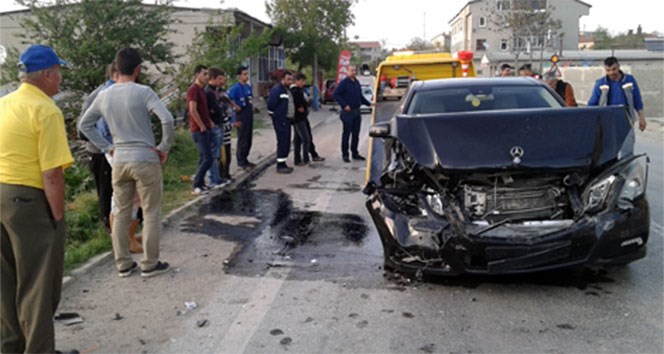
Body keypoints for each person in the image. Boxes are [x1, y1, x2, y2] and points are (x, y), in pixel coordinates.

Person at [0, 44, 74, 353]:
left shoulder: (4, 104)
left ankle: (10, 348)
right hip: (29, 201)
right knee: (38, 287)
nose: (60, 81)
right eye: (58, 74)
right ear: (46, 75)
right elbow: (52, 175)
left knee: (6, 284)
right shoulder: (45, 110)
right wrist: (57, 219)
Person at [79, 47, 174, 278]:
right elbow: (167, 119)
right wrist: (163, 147)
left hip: (119, 160)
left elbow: (84, 125)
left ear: (115, 69)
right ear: (138, 69)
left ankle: (123, 264)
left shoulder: (104, 95)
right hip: (145, 159)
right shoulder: (144, 92)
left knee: (121, 212)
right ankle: (149, 264)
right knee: (150, 212)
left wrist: (106, 147)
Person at [79, 63, 118, 230]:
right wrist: (109, 147)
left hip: (105, 147)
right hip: (99, 149)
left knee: (114, 187)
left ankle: (123, 225)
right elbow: (94, 126)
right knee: (106, 188)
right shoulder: (104, 94)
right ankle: (108, 226)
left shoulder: (111, 90)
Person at [587, 56, 647, 132]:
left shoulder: (629, 80)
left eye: (614, 69)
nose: (611, 73)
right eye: (608, 70)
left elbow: (637, 100)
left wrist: (641, 118)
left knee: (626, 142)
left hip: (626, 118)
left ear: (618, 66)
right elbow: (592, 104)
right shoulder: (600, 83)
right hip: (607, 120)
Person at [187, 65, 217, 194]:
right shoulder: (193, 90)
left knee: (202, 157)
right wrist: (202, 125)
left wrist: (209, 122)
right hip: (199, 130)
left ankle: (201, 183)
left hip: (207, 127)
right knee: (208, 158)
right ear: (197, 75)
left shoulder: (202, 90)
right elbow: (192, 110)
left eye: (207, 74)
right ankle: (196, 184)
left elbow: (204, 110)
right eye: (204, 74)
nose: (207, 77)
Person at [333, 64, 372, 163]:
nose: (353, 72)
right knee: (346, 134)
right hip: (347, 113)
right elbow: (336, 94)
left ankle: (355, 153)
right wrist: (344, 105)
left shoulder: (356, 82)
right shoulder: (344, 83)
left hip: (356, 111)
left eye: (354, 70)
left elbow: (360, 97)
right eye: (351, 70)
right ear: (347, 71)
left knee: (356, 134)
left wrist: (369, 104)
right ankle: (345, 154)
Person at [206, 67, 237, 184]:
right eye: (220, 79)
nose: (222, 81)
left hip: (225, 125)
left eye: (223, 79)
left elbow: (226, 105)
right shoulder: (209, 92)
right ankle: (219, 176)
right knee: (219, 154)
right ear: (213, 78)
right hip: (218, 126)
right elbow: (215, 109)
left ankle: (225, 174)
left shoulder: (221, 92)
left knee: (227, 152)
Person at [228, 66, 256, 171]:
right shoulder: (235, 88)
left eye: (247, 74)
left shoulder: (248, 87)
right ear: (239, 76)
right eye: (244, 74)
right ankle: (241, 161)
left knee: (249, 138)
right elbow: (227, 99)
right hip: (241, 115)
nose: (246, 76)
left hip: (249, 114)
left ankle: (245, 158)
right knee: (242, 138)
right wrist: (234, 107)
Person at [267, 70, 295, 174]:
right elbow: (271, 105)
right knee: (283, 141)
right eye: (288, 79)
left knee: (286, 141)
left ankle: (283, 162)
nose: (290, 81)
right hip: (281, 120)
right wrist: (275, 116)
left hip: (287, 120)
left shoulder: (287, 90)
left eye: (291, 79)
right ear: (282, 79)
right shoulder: (277, 90)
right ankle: (280, 165)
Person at [290, 73, 313, 166]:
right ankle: (304, 158)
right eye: (302, 81)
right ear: (297, 81)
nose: (303, 83)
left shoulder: (300, 90)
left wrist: (305, 105)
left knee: (298, 139)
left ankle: (298, 159)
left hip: (301, 117)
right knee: (306, 138)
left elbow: (304, 103)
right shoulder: (295, 91)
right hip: (298, 118)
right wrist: (304, 105)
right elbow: (301, 104)